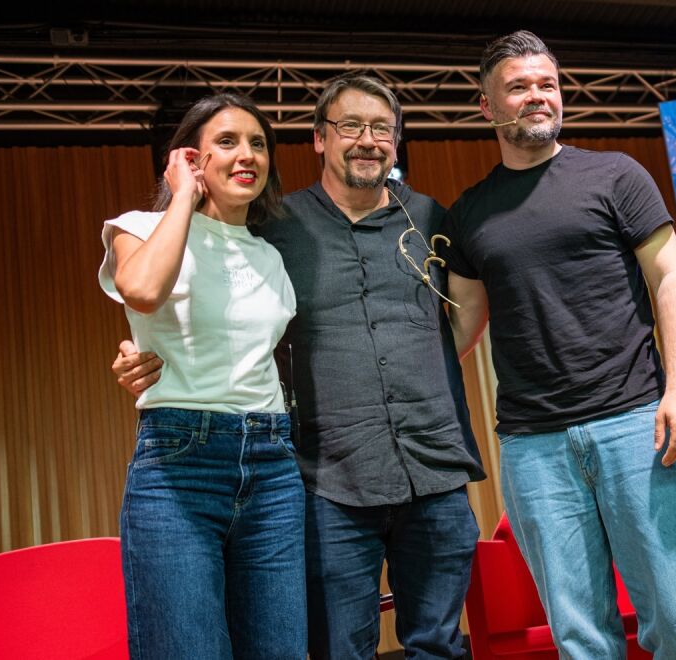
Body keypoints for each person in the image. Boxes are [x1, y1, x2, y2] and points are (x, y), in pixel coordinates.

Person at [112, 76, 485, 659]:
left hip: (343, 465)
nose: (367, 140)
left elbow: (464, 317)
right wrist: (139, 351)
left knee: (384, 646)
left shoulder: (418, 221)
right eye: (350, 127)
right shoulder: (252, 229)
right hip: (269, 467)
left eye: (381, 128)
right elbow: (154, 291)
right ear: (318, 139)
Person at [442, 30, 676, 658]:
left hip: (636, 425)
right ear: (487, 106)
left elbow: (671, 278)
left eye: (547, 84)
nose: (537, 97)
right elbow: (460, 327)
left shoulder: (615, 175)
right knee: (581, 638)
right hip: (532, 445)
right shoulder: (470, 214)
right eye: (518, 87)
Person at [99, 93, 304, 658]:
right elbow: (141, 292)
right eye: (227, 142)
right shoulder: (138, 227)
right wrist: (184, 196)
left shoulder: (271, 257)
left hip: (272, 463)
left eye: (258, 144)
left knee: (280, 649)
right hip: (180, 460)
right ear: (191, 158)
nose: (247, 155)